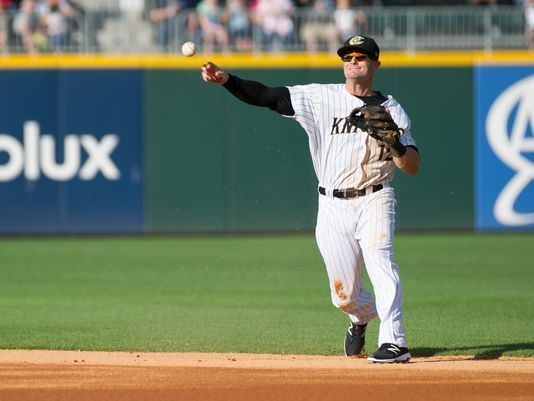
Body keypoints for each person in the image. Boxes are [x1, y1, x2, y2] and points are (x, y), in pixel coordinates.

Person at [200, 35, 420, 363]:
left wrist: (396, 145)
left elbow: (412, 167)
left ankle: (395, 341)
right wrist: (228, 81)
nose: (353, 61)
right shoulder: (320, 97)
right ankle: (360, 317)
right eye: (348, 57)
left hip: (376, 196)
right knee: (343, 296)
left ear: (376, 64)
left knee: (381, 261)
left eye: (361, 57)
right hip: (332, 204)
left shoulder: (392, 109)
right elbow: (268, 96)